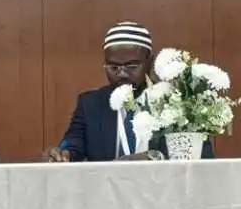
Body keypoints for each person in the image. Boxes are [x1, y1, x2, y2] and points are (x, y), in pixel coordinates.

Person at [47, 22, 213, 161]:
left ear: (150, 63)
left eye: (131, 66)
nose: (122, 73)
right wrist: (64, 152)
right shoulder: (91, 104)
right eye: (113, 67)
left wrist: (155, 157)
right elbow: (73, 143)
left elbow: (201, 155)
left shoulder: (177, 102)